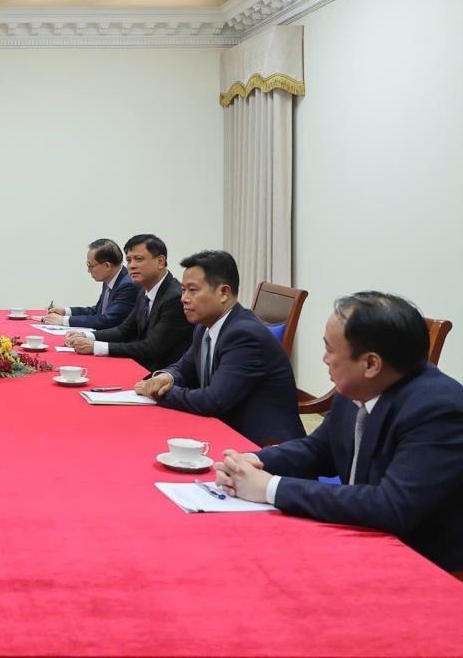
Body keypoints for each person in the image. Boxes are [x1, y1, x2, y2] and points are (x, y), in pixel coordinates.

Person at [215, 292, 463, 572]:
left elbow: (392, 506)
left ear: (371, 364)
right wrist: (254, 461)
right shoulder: (358, 386)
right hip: (359, 534)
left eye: (330, 349)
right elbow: (319, 449)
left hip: (422, 562)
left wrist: (270, 488)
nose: (324, 359)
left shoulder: (439, 410)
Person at [134, 250, 304, 445]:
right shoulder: (204, 326)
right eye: (183, 290)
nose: (183, 298)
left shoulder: (244, 335)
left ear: (224, 293)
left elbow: (214, 401)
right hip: (225, 429)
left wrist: (160, 393)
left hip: (264, 446)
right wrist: (166, 377)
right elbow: (184, 367)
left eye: (192, 290)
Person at [66, 234, 192, 373]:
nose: (132, 266)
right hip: (142, 367)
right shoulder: (144, 290)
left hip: (162, 375)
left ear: (160, 262)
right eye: (129, 260)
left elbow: (151, 348)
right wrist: (86, 336)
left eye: (139, 259)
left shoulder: (175, 298)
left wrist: (96, 347)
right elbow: (124, 331)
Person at [43, 238, 137, 329]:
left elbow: (107, 320)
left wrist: (64, 320)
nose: (88, 271)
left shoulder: (127, 285)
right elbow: (97, 311)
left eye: (91, 266)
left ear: (107, 266)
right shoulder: (110, 279)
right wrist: (65, 311)